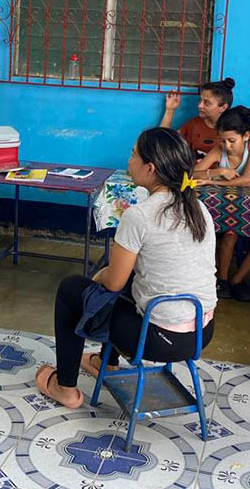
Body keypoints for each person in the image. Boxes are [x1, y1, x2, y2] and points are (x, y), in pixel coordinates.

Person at [34, 128, 217, 409]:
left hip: (157, 340)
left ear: (150, 168)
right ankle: (105, 362)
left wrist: (98, 277)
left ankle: (66, 388)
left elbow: (113, 283)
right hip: (201, 333)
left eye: (133, 155)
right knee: (131, 280)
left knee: (72, 289)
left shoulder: (139, 216)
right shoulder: (198, 209)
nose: (129, 160)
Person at [198, 106, 250, 302]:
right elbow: (192, 172)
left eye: (232, 141)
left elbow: (247, 180)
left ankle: (238, 279)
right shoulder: (219, 150)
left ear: (246, 135)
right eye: (223, 140)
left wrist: (212, 182)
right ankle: (222, 280)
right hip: (225, 206)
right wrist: (217, 172)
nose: (227, 145)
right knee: (230, 233)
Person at [161, 78, 250, 171]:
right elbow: (162, 143)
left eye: (207, 103)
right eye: (200, 100)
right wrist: (170, 110)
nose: (200, 106)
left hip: (230, 186)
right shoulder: (193, 124)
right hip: (198, 181)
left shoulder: (240, 126)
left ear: (223, 107)